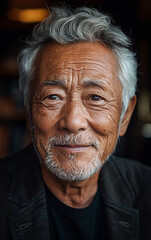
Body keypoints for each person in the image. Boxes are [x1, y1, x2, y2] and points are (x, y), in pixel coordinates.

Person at [0, 6, 151, 240]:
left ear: (125, 115)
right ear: (29, 112)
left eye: (95, 98)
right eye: (53, 97)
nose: (73, 122)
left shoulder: (147, 190)